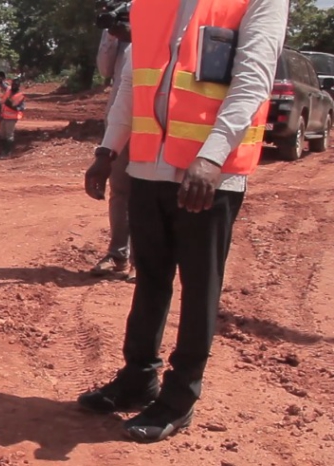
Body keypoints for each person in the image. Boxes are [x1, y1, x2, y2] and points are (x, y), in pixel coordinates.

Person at [80, 0, 287, 442]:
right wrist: (107, 150)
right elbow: (134, 81)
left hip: (209, 176)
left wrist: (211, 157)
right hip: (149, 169)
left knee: (199, 287)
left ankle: (180, 395)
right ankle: (138, 377)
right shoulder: (152, 5)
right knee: (150, 279)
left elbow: (252, 81)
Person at [90, 22, 135, 281]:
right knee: (120, 191)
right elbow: (105, 70)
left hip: (154, 119)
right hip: (119, 118)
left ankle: (143, 260)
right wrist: (111, 33)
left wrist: (138, 32)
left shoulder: (164, 15)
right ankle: (118, 254)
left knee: (149, 190)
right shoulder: (118, 25)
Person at [0, 78, 25, 158]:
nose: (14, 86)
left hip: (11, 118)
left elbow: (21, 108)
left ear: (19, 86)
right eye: (13, 84)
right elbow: (3, 85)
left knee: (9, 135)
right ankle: (3, 150)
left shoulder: (20, 96)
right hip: (3, 116)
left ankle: (7, 152)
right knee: (2, 134)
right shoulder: (8, 91)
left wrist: (11, 105)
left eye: (16, 85)